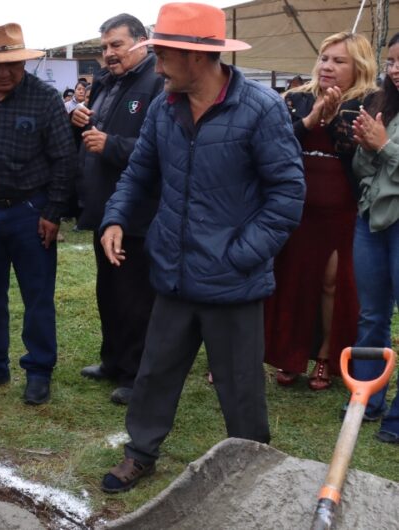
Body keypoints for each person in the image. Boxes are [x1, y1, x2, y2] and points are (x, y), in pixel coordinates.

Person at [98, 2, 305, 493]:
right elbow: (139, 171)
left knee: (240, 387)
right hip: (172, 270)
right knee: (155, 373)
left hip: (234, 279)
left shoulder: (261, 109)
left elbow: (288, 196)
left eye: (164, 53)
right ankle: (141, 452)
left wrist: (239, 254)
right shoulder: (163, 108)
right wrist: (116, 217)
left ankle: (252, 462)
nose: (158, 63)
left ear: (197, 57)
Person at [0, 23, 76, 405]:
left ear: (24, 62)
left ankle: (38, 369)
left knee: (37, 295)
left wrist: (53, 212)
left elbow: (64, 159)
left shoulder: (44, 98)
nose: (4, 73)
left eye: (12, 65)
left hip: (31, 210)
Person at [265, 33, 378, 390]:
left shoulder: (372, 101)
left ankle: (327, 356)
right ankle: (290, 355)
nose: (327, 66)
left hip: (342, 209)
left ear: (358, 66)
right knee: (293, 278)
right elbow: (278, 143)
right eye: (324, 58)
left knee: (332, 282)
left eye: (338, 61)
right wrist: (313, 118)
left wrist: (337, 118)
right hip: (295, 206)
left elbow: (363, 154)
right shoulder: (296, 97)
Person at [71, 14, 164, 405]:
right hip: (104, 207)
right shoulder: (107, 82)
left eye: (116, 45)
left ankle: (136, 372)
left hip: (138, 214)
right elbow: (95, 134)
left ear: (142, 42)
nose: (108, 54)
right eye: (105, 46)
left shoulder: (158, 82)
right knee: (108, 290)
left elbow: (159, 151)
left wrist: (110, 145)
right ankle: (112, 360)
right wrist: (79, 121)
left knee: (136, 296)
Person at [350, 31, 399, 444]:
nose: (395, 69)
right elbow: (364, 172)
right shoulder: (381, 104)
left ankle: (397, 416)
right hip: (370, 222)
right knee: (372, 314)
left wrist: (383, 148)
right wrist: (366, 148)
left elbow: (387, 158)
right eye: (391, 62)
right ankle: (365, 397)